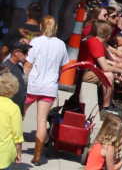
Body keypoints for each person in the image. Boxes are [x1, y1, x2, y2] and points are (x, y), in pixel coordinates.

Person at [26, 15, 66, 163]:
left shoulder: (36, 42)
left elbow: (28, 65)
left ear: (41, 27)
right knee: (41, 121)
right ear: (55, 28)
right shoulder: (61, 45)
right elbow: (62, 68)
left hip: (32, 85)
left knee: (18, 114)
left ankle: (13, 146)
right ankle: (37, 155)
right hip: (49, 87)